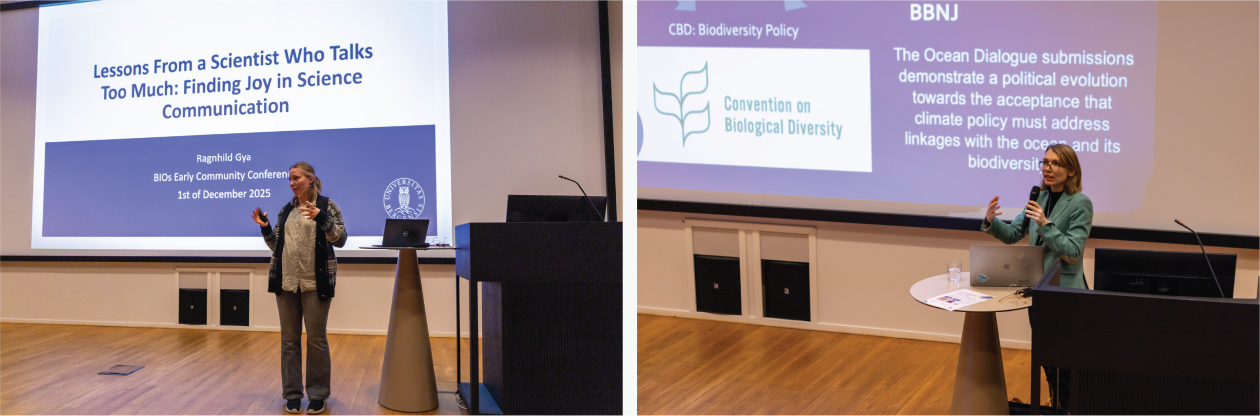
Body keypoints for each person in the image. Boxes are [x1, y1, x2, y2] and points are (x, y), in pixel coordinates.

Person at [980, 143, 1093, 410]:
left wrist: (1045, 225)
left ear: (1071, 170)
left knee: (1065, 364)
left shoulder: (1080, 203)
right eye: (1044, 162)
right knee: (1047, 360)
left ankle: (1068, 409)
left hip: (1066, 293)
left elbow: (1073, 252)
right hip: (1039, 291)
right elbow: (1012, 234)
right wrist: (990, 221)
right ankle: (1055, 407)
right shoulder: (1038, 199)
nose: (1047, 168)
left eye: (1054, 163)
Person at [250, 162, 347, 414]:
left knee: (316, 340)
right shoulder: (285, 211)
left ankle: (317, 394)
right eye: (289, 179)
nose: (292, 183)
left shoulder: (327, 206)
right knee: (289, 341)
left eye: (296, 178)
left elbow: (342, 240)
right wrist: (265, 228)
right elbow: (276, 247)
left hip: (316, 284)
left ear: (310, 179)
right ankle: (292, 394)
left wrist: (321, 217)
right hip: (287, 283)